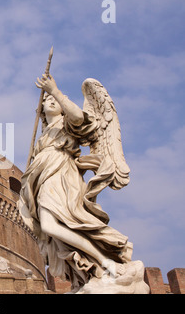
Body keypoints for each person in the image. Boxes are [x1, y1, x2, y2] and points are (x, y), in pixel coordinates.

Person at [17, 74, 133, 290]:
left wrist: (54, 90)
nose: (51, 101)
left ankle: (105, 260)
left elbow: (79, 117)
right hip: (44, 178)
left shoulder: (67, 123)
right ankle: (92, 268)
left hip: (62, 174)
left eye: (55, 100)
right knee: (52, 227)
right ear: (41, 111)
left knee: (54, 225)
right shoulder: (43, 135)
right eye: (47, 101)